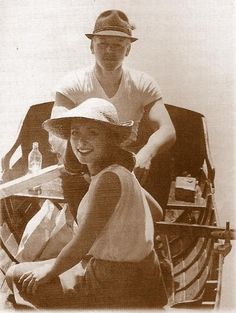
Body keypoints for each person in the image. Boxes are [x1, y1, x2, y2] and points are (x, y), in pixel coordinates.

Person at [6, 98, 167, 309]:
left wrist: (51, 270)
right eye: (75, 133)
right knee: (36, 271)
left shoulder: (107, 180)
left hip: (114, 282)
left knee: (13, 274)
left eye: (93, 133)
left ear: (110, 139)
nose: (81, 142)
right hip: (147, 275)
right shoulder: (121, 172)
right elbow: (157, 212)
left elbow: (81, 245)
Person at [50, 9, 176, 209]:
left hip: (127, 160)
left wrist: (147, 154)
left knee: (162, 160)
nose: (109, 51)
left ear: (128, 49)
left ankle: (148, 225)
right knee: (82, 218)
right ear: (92, 47)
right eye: (103, 44)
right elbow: (56, 134)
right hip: (83, 161)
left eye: (117, 46)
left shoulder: (143, 83)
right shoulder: (72, 83)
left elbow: (167, 129)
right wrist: (83, 163)